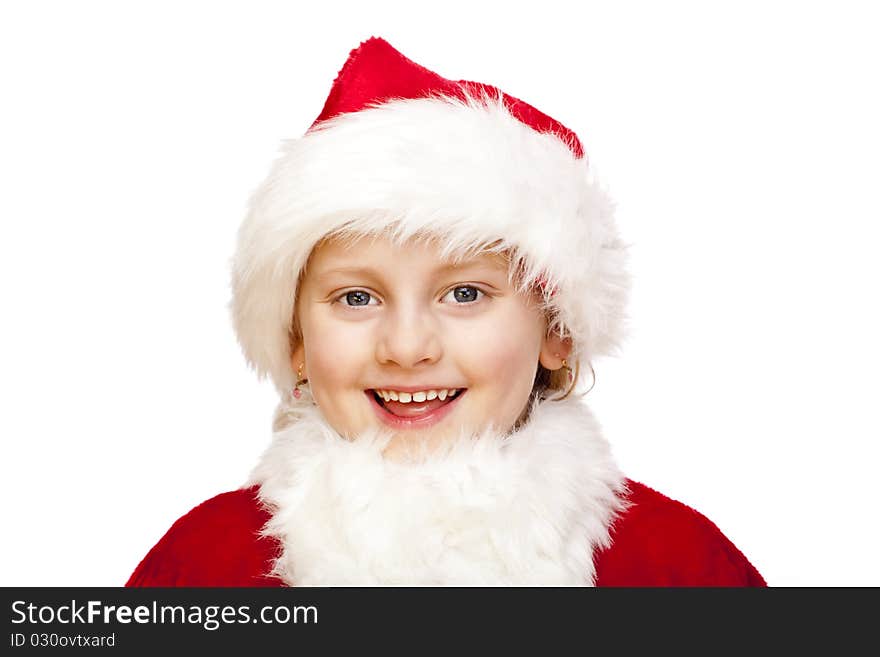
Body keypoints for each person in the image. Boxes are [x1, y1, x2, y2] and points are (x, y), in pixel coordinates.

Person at [127, 37, 765, 586]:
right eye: (357, 298)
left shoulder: (678, 567)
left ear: (557, 333)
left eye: (465, 294)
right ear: (297, 340)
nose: (406, 348)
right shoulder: (205, 566)